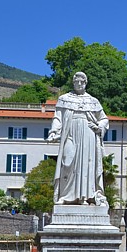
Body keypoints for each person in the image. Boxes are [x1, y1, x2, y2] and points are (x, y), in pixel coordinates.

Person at [47, 72, 109, 205]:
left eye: (82, 82)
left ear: (86, 83)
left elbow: (104, 119)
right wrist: (53, 131)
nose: (79, 84)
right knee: (67, 162)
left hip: (88, 134)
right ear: (73, 83)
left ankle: (84, 197)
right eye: (77, 82)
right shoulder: (64, 99)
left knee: (86, 165)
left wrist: (98, 126)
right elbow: (58, 117)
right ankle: (65, 195)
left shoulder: (93, 101)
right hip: (70, 132)